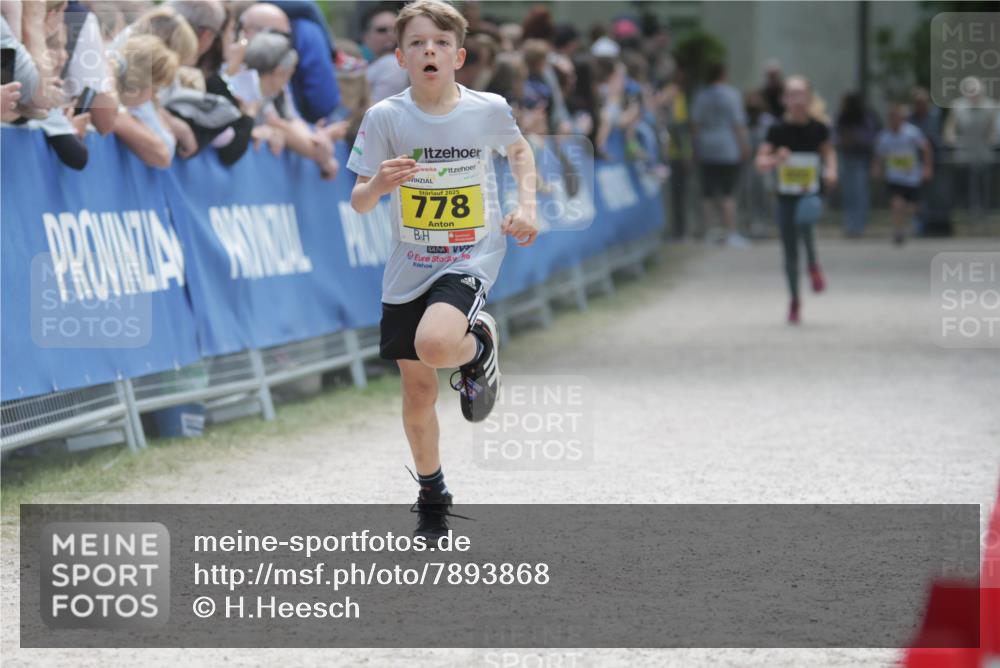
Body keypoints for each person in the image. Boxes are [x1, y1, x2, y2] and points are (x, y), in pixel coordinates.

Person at [346, 0, 537, 544]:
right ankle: (433, 493)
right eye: (416, 43)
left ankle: (475, 347)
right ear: (401, 56)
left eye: (439, 43)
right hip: (410, 265)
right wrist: (379, 186)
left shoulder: (487, 108)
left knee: (435, 346)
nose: (428, 50)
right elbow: (359, 201)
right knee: (417, 393)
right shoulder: (385, 117)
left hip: (470, 254)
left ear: (459, 55)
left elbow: (520, 152)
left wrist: (527, 206)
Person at [755, 75, 837, 324]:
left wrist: (832, 170)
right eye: (791, 94)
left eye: (801, 93)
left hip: (810, 193)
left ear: (810, 97)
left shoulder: (818, 128)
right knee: (790, 251)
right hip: (785, 197)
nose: (797, 99)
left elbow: (828, 152)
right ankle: (794, 299)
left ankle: (812, 264)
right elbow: (760, 162)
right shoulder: (777, 130)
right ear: (784, 99)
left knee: (806, 217)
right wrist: (776, 159)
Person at [691, 62, 750, 246]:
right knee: (728, 193)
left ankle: (708, 233)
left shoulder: (701, 95)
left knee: (707, 193)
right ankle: (731, 232)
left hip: (706, 146)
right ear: (723, 74)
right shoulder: (732, 95)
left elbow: (695, 124)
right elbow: (737, 123)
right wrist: (744, 146)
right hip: (728, 147)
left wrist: (695, 147)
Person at [873, 102, 933, 246]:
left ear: (901, 118)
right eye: (890, 117)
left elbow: (926, 148)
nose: (893, 120)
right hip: (894, 177)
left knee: (913, 207)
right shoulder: (884, 137)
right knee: (896, 204)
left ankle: (905, 224)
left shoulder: (912, 132)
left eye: (895, 117)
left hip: (912, 176)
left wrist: (927, 167)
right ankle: (898, 231)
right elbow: (879, 155)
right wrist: (876, 168)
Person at [834, 92, 879, 237]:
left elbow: (871, 137)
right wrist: (842, 140)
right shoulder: (841, 117)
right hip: (845, 157)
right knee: (848, 193)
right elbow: (834, 136)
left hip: (861, 158)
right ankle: (849, 224)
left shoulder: (865, 117)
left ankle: (860, 224)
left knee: (860, 192)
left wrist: (855, 137)